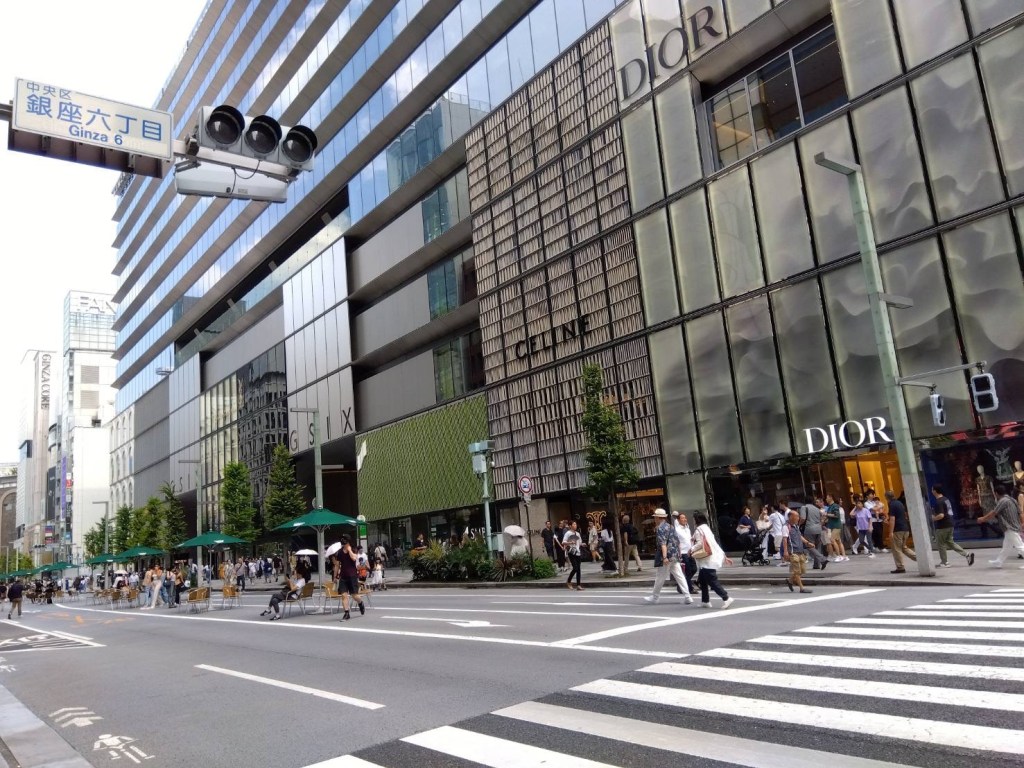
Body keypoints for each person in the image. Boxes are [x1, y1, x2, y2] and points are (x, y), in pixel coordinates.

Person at [644, 509, 689, 604]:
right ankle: (687, 596)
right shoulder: (671, 526)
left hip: (667, 557)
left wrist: (664, 557)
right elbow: (677, 542)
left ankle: (655, 597)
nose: (654, 519)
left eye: (655, 517)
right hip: (674, 555)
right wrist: (679, 553)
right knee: (680, 576)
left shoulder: (660, 528)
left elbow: (663, 544)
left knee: (660, 577)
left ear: (658, 518)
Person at [690, 511, 734, 609]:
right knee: (703, 580)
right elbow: (714, 544)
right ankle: (705, 601)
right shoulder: (707, 529)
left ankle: (726, 598)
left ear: (697, 520)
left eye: (694, 519)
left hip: (706, 559)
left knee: (711, 580)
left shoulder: (699, 530)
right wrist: (724, 556)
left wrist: (691, 549)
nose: (693, 521)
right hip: (711, 558)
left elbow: (700, 543)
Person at [978, 483, 1024, 568]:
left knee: (1020, 546)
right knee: (1006, 547)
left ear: (996, 493)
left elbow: (994, 512)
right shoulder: (1012, 499)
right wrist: (1022, 522)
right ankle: (999, 561)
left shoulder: (1003, 501)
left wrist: (983, 519)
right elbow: (1020, 512)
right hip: (1013, 526)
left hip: (1010, 527)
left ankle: (999, 561)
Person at [930, 484, 972, 567]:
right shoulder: (946, 499)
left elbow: (941, 515)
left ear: (935, 491)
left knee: (941, 544)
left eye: (932, 489)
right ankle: (967, 555)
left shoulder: (938, 502)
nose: (931, 491)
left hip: (942, 526)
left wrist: (933, 518)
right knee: (950, 542)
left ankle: (945, 562)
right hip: (950, 524)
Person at [782, 510, 815, 594]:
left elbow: (800, 536)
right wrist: (785, 551)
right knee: (797, 571)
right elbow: (784, 540)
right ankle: (801, 588)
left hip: (800, 550)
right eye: (796, 516)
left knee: (802, 570)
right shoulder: (786, 527)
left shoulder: (796, 526)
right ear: (790, 517)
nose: (798, 518)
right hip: (793, 552)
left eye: (798, 516)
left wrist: (807, 543)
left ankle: (790, 581)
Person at [885, 490, 916, 573]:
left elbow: (892, 519)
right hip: (905, 528)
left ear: (886, 497)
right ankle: (919, 558)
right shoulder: (900, 503)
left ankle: (900, 567)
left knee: (897, 549)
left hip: (898, 529)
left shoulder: (892, 505)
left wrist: (890, 532)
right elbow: (904, 515)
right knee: (903, 547)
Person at [337, 536, 367, 620]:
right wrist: (336, 576)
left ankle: (360, 603)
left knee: (354, 596)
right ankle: (346, 613)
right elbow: (337, 564)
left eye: (345, 542)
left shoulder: (353, 549)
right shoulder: (340, 552)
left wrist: (349, 550)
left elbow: (354, 558)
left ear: (348, 542)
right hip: (343, 576)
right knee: (344, 595)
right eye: (343, 542)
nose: (344, 544)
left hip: (352, 576)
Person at [674, 511, 698, 595]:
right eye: (682, 518)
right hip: (683, 553)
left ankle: (681, 585)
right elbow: (676, 542)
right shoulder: (677, 530)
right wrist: (678, 553)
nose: (684, 519)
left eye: (685, 518)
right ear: (678, 520)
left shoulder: (687, 529)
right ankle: (690, 588)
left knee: (694, 569)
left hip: (690, 552)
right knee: (688, 571)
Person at [562, 520, 584, 591]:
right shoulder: (568, 533)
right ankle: (569, 581)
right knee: (575, 568)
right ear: (570, 526)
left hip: (577, 552)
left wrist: (582, 544)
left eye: (576, 524)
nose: (575, 525)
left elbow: (579, 542)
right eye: (574, 524)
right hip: (571, 552)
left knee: (578, 569)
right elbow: (563, 542)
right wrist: (570, 542)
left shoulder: (577, 534)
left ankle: (578, 585)